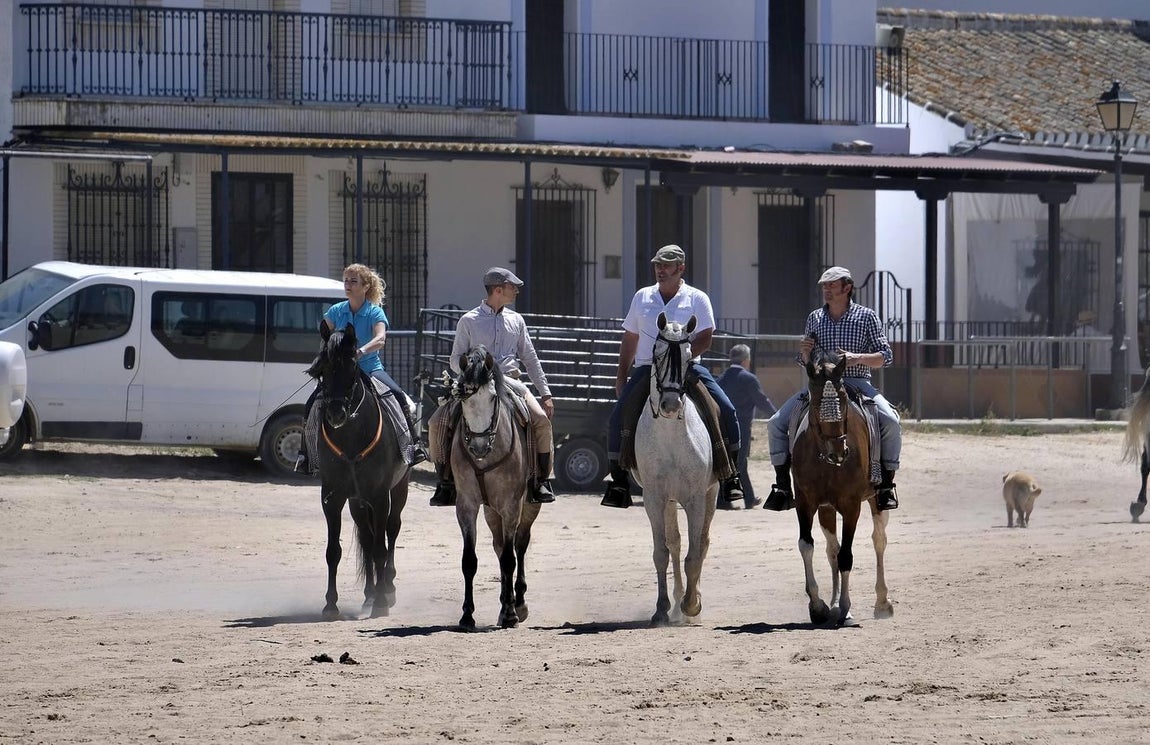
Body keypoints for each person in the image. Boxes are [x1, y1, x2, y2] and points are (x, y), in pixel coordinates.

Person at [600, 244, 746, 508]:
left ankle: (730, 475)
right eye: (658, 265)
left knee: (725, 408)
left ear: (681, 268)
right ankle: (619, 482)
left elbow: (706, 336)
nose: (661, 270)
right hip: (647, 367)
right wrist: (621, 375)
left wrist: (684, 357)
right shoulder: (642, 297)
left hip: (687, 367)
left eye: (667, 265)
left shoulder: (697, 298)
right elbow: (630, 338)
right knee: (617, 417)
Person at [763, 266, 901, 512]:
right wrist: (804, 354)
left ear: (847, 288)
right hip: (820, 386)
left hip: (857, 383)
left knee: (890, 420)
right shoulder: (814, 318)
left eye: (832, 285)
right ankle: (783, 485)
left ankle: (886, 486)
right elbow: (804, 361)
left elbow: (886, 357)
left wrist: (855, 357)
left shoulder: (866, 316)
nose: (826, 290)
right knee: (775, 422)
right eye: (824, 286)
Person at [426, 267, 556, 507]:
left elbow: (530, 358)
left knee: (541, 421)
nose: (516, 291)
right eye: (512, 287)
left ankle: (540, 480)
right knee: (436, 423)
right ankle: (444, 482)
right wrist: (471, 371)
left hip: (510, 381)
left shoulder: (516, 320)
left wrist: (545, 392)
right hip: (476, 384)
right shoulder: (469, 320)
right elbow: (455, 359)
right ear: (498, 289)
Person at [296, 263, 427, 472]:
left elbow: (381, 338)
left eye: (353, 281)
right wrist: (325, 357)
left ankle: (413, 446)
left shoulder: (375, 313)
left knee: (398, 396)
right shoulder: (336, 310)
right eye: (346, 280)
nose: (348, 285)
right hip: (341, 372)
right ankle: (306, 454)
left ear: (365, 287)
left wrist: (360, 351)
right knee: (312, 403)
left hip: (369, 368)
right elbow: (325, 336)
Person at [716, 344, 777, 510]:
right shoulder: (748, 378)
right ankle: (725, 500)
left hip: (722, 425)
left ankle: (747, 498)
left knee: (731, 462)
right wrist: (776, 416)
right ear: (746, 361)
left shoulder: (722, 378)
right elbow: (761, 400)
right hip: (741, 426)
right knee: (739, 462)